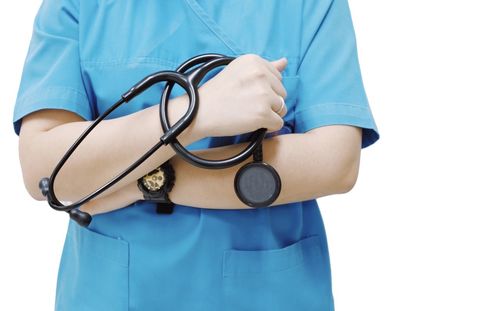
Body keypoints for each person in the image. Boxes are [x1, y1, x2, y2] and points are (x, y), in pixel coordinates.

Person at [13, 0, 380, 310]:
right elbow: (44, 170)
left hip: (269, 293)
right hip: (110, 293)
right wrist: (196, 113)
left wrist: (142, 182)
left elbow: (335, 162)